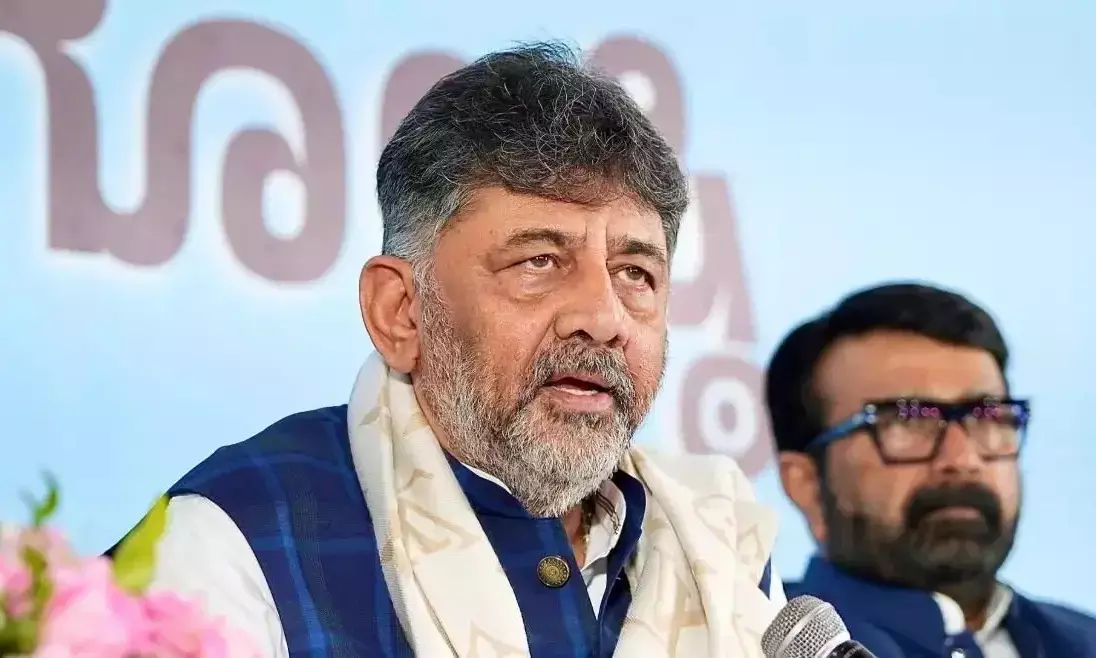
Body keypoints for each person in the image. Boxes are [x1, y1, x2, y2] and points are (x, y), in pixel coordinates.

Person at [124, 43, 785, 657]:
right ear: (400, 312)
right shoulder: (238, 537)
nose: (604, 318)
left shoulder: (720, 543)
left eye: (635, 274)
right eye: (539, 261)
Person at [765, 282, 1096, 657]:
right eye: (908, 421)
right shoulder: (739, 642)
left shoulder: (1083, 640)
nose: (962, 459)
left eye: (987, 417)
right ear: (807, 484)